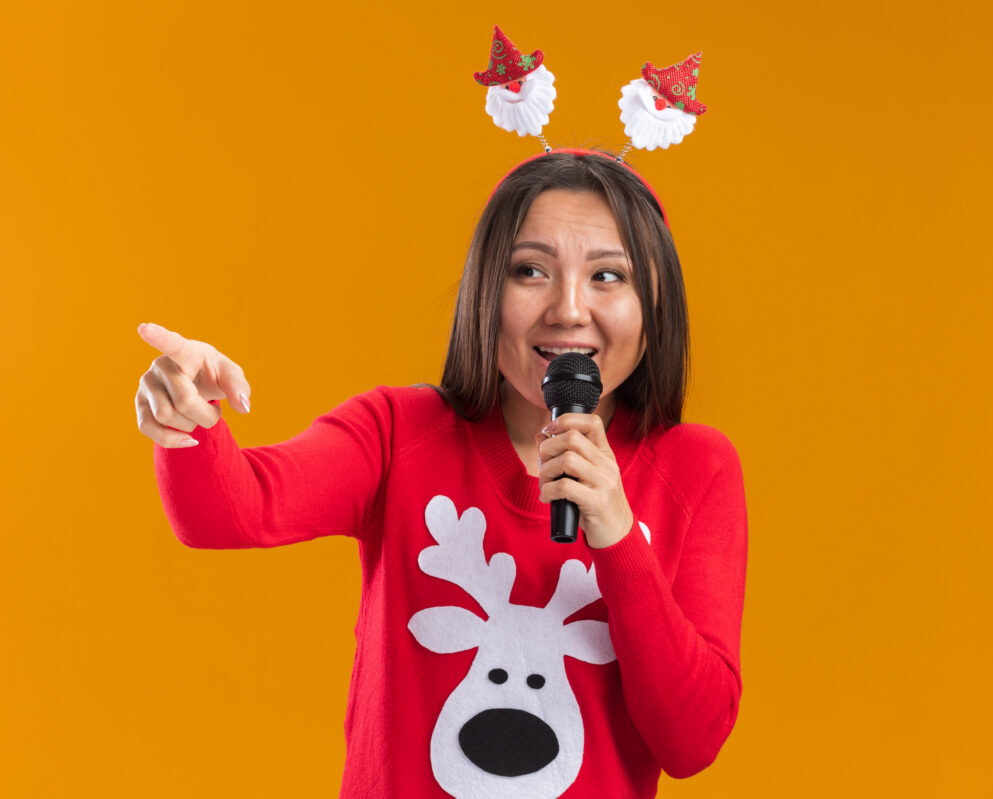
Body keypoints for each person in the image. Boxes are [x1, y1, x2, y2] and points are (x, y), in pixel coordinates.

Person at [135, 150, 747, 799]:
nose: (568, 309)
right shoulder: (397, 432)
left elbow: (692, 739)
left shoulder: (695, 468)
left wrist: (620, 539)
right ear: (486, 289)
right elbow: (231, 509)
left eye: (608, 276)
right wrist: (191, 416)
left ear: (656, 302)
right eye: (530, 270)